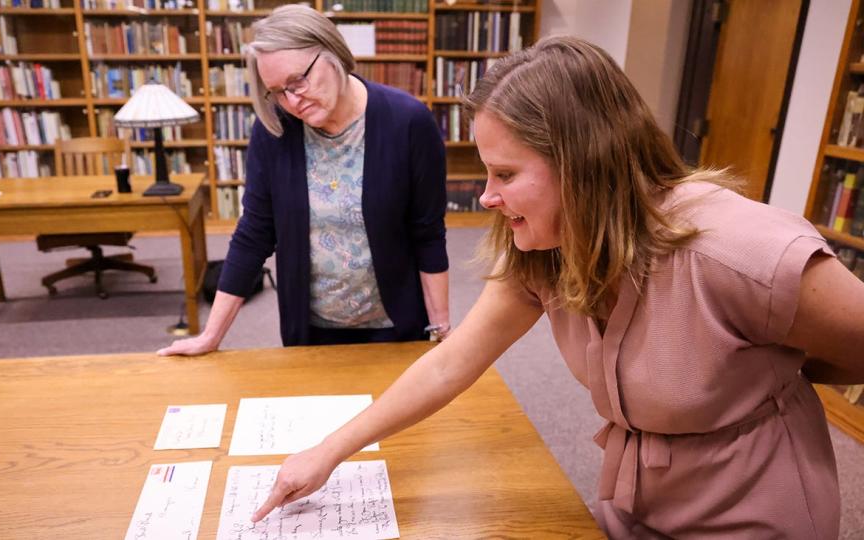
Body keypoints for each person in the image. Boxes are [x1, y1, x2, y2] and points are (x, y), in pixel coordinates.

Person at [247, 36, 864, 538]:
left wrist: (773, 366)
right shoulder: (546, 249)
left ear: (584, 162)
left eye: (506, 174)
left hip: (756, 516)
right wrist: (329, 451)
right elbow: (450, 365)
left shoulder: (739, 249)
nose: (486, 196)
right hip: (636, 504)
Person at [158, 5, 449, 354]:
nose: (292, 100)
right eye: (278, 91)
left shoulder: (409, 123)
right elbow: (254, 235)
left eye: (298, 80)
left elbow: (428, 234)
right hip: (309, 332)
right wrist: (211, 336)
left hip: (396, 328)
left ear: (333, 53)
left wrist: (441, 330)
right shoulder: (275, 130)